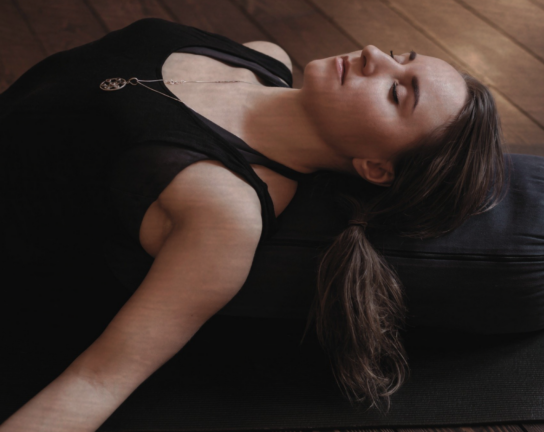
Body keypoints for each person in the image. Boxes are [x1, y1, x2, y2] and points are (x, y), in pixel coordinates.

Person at [0, 18, 505, 430]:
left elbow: (97, 381)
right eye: (400, 55)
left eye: (397, 93)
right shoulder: (264, 57)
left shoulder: (227, 211)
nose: (374, 54)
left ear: (375, 167)